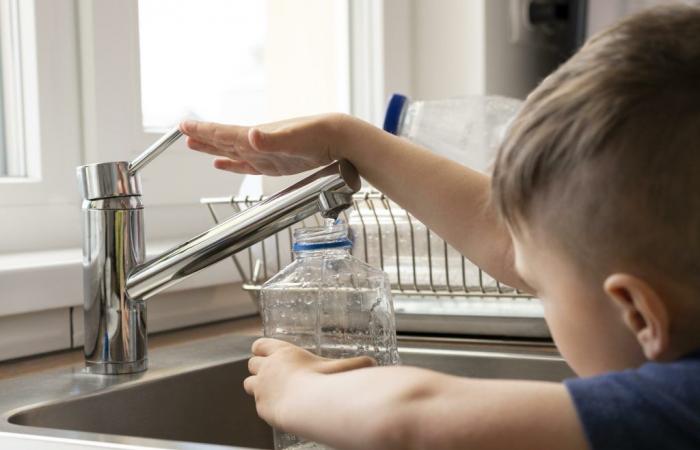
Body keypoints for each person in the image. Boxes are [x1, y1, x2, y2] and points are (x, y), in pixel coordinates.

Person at [179, 5, 700, 450]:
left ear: (638, 312)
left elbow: (415, 418)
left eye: (538, 287)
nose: (522, 276)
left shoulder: (678, 404)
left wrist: (295, 391)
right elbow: (509, 237)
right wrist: (348, 139)